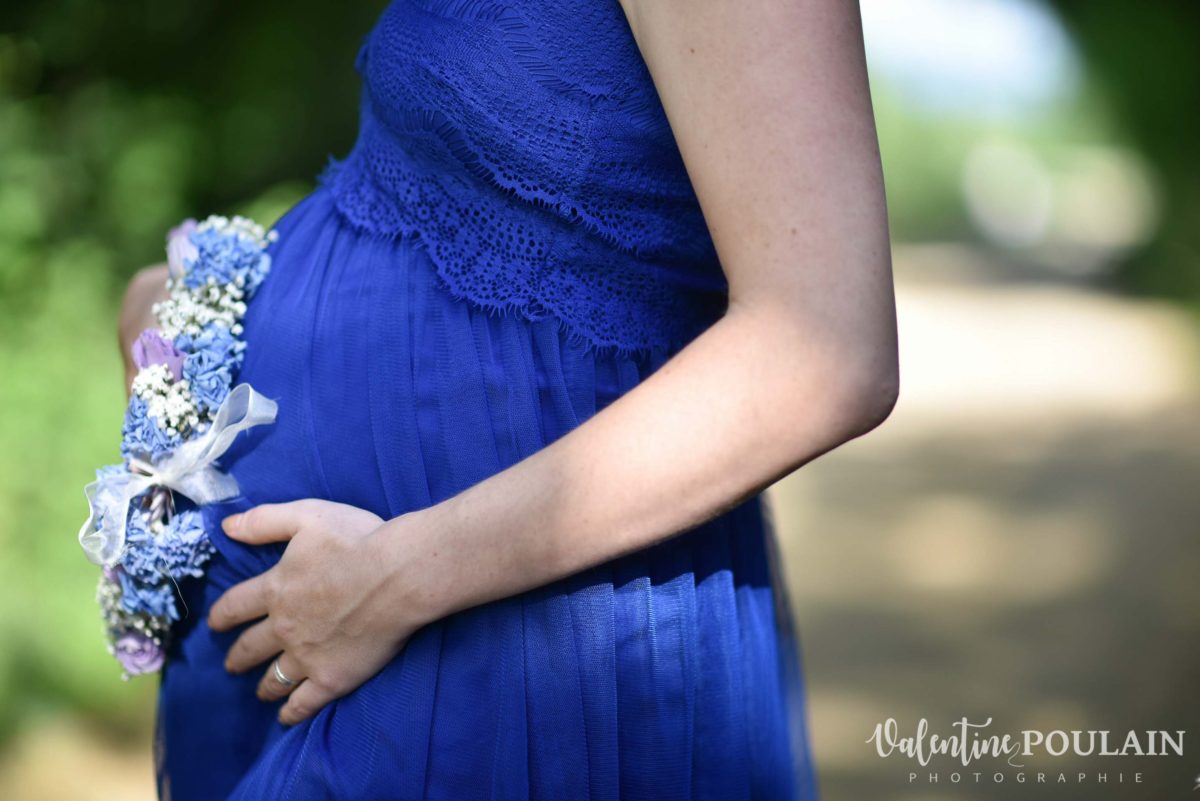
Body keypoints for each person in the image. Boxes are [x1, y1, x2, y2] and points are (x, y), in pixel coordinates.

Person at [119, 0, 897, 798]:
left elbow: (827, 354)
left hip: (494, 652)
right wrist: (185, 310)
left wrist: (392, 578)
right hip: (301, 629)